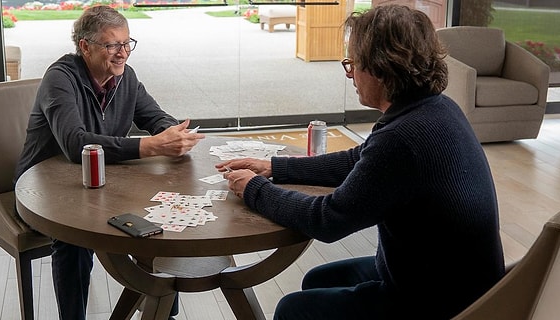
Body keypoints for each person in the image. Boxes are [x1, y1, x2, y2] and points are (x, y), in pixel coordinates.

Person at [216, 5, 505, 320]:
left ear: (382, 68)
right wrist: (274, 167)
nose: (350, 73)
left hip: (439, 304)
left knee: (292, 310)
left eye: (353, 63)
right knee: (318, 279)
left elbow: (327, 219)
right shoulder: (435, 108)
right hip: (460, 282)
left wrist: (254, 189)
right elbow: (359, 159)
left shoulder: (402, 139)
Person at [14, 5, 204, 320]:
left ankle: (161, 312)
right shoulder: (59, 78)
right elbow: (76, 145)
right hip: (44, 190)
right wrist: (149, 146)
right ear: (85, 46)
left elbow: (154, 117)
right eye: (112, 44)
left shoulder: (126, 77)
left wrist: (173, 134)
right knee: (73, 239)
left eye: (127, 43)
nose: (122, 53)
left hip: (102, 185)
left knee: (156, 220)